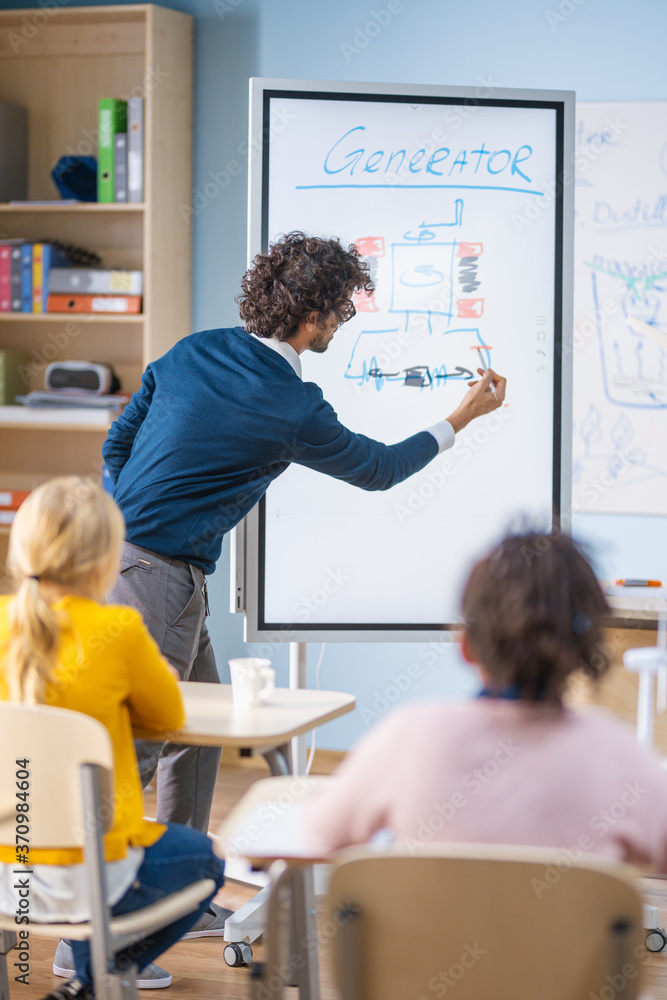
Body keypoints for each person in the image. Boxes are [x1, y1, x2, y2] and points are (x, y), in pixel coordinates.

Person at [100, 231, 507, 904]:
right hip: (158, 577)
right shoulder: (289, 405)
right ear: (312, 316)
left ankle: (178, 896)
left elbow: (117, 444)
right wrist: (462, 415)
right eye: (342, 312)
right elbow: (377, 469)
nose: (342, 325)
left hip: (153, 570)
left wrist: (126, 527)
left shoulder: (192, 350)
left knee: (195, 739)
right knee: (137, 751)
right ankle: (91, 935)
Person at [302, 530, 667, 875]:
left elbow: (313, 838)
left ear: (465, 645)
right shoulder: (621, 759)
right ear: (587, 649)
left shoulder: (408, 739)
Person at [0, 478, 224, 1000]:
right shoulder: (119, 631)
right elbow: (169, 717)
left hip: (9, 869)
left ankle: (86, 971)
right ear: (106, 561)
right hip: (89, 873)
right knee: (206, 859)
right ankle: (94, 975)